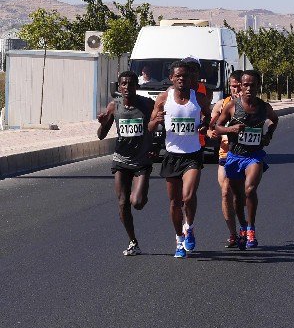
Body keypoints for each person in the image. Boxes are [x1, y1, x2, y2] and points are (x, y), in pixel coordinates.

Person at [149, 60, 212, 258]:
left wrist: (204, 124)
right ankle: (178, 239)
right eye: (178, 76)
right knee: (175, 202)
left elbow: (208, 116)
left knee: (188, 196)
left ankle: (189, 227)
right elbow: (150, 126)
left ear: (190, 78)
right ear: (171, 78)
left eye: (185, 76)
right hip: (171, 155)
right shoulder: (163, 98)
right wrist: (156, 121)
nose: (181, 79)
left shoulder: (199, 98)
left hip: (193, 155)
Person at [215, 69, 278, 249]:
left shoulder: (264, 107)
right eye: (246, 85)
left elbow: (274, 120)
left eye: (253, 85)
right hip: (235, 156)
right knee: (237, 197)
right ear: (240, 87)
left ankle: (251, 229)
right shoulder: (233, 106)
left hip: (254, 156)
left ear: (258, 86)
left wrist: (268, 135)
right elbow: (218, 127)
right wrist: (231, 130)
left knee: (250, 190)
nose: (249, 88)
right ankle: (242, 227)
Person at [96, 71, 155, 256]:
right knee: (122, 203)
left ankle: (141, 193)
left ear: (136, 86)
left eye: (131, 84)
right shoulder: (114, 106)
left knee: (137, 203)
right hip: (121, 160)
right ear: (119, 87)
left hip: (141, 160)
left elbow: (158, 126)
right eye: (124, 84)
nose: (127, 88)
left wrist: (156, 146)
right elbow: (101, 135)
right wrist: (103, 122)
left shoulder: (147, 104)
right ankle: (132, 241)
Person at [208, 70, 244, 247]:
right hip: (225, 155)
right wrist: (211, 133)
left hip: (244, 156)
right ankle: (233, 234)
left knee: (240, 197)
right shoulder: (222, 104)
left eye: (238, 86)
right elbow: (210, 127)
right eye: (232, 85)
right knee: (225, 193)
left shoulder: (251, 106)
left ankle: (245, 227)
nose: (235, 89)